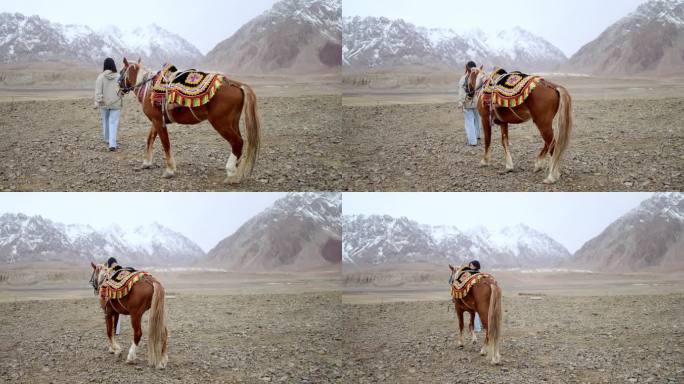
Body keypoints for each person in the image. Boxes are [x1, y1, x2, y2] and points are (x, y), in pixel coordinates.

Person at [94, 58, 122, 151]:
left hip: (104, 103)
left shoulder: (100, 77)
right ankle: (112, 144)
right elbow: (121, 91)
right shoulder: (119, 77)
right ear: (113, 65)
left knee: (105, 121)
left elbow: (98, 92)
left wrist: (99, 101)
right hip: (116, 103)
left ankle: (107, 139)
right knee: (113, 123)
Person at [458, 61, 482, 146]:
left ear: (467, 68)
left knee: (469, 121)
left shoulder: (464, 78)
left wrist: (460, 103)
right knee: (477, 118)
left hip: (467, 102)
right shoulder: (479, 76)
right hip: (477, 101)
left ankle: (472, 141)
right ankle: (478, 135)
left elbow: (461, 91)